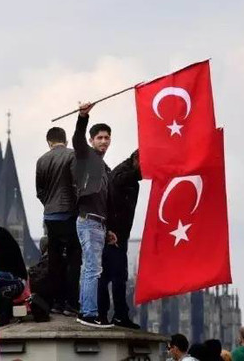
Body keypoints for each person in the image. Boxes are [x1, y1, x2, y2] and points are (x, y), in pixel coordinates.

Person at [72, 102, 116, 328]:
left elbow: (104, 202)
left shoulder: (103, 167)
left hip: (98, 224)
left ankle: (87, 309)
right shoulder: (86, 156)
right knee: (92, 268)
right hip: (88, 220)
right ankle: (88, 313)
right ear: (92, 141)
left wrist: (108, 230)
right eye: (99, 137)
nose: (104, 141)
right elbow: (77, 141)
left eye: (107, 137)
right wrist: (82, 117)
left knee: (90, 268)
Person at [35, 126, 80, 316]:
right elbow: (76, 184)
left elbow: (40, 191)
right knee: (73, 259)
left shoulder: (42, 160)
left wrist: (49, 205)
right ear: (66, 140)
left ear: (49, 142)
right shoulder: (72, 155)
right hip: (69, 215)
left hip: (50, 216)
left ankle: (56, 303)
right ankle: (71, 303)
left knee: (54, 261)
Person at [98, 149, 141, 329]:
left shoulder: (126, 175)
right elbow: (110, 204)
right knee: (117, 276)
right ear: (137, 160)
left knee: (108, 276)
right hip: (114, 237)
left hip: (117, 235)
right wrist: (110, 231)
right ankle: (117, 315)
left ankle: (105, 314)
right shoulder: (122, 176)